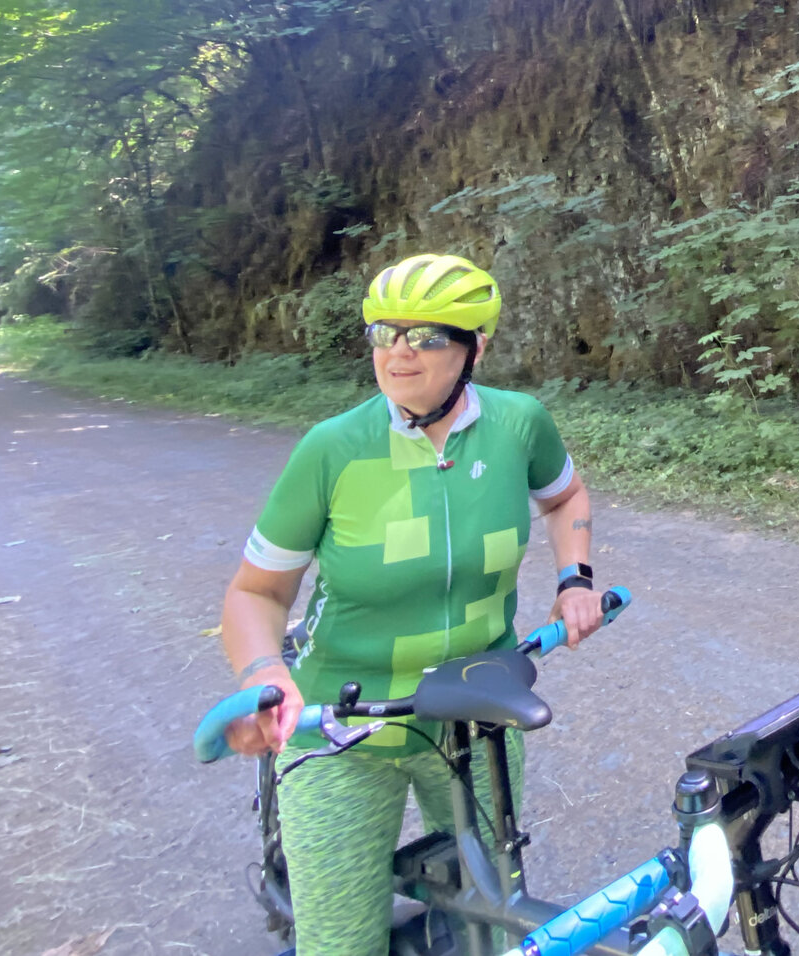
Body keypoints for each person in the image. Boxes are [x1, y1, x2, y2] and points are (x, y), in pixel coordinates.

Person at [218, 252, 603, 955]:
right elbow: (255, 593)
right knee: (341, 944)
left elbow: (564, 495)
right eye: (384, 333)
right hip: (343, 725)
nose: (398, 353)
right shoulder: (332, 450)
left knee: (492, 927)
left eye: (425, 336)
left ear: (475, 347)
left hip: (478, 711)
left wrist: (574, 578)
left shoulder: (519, 425)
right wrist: (263, 676)